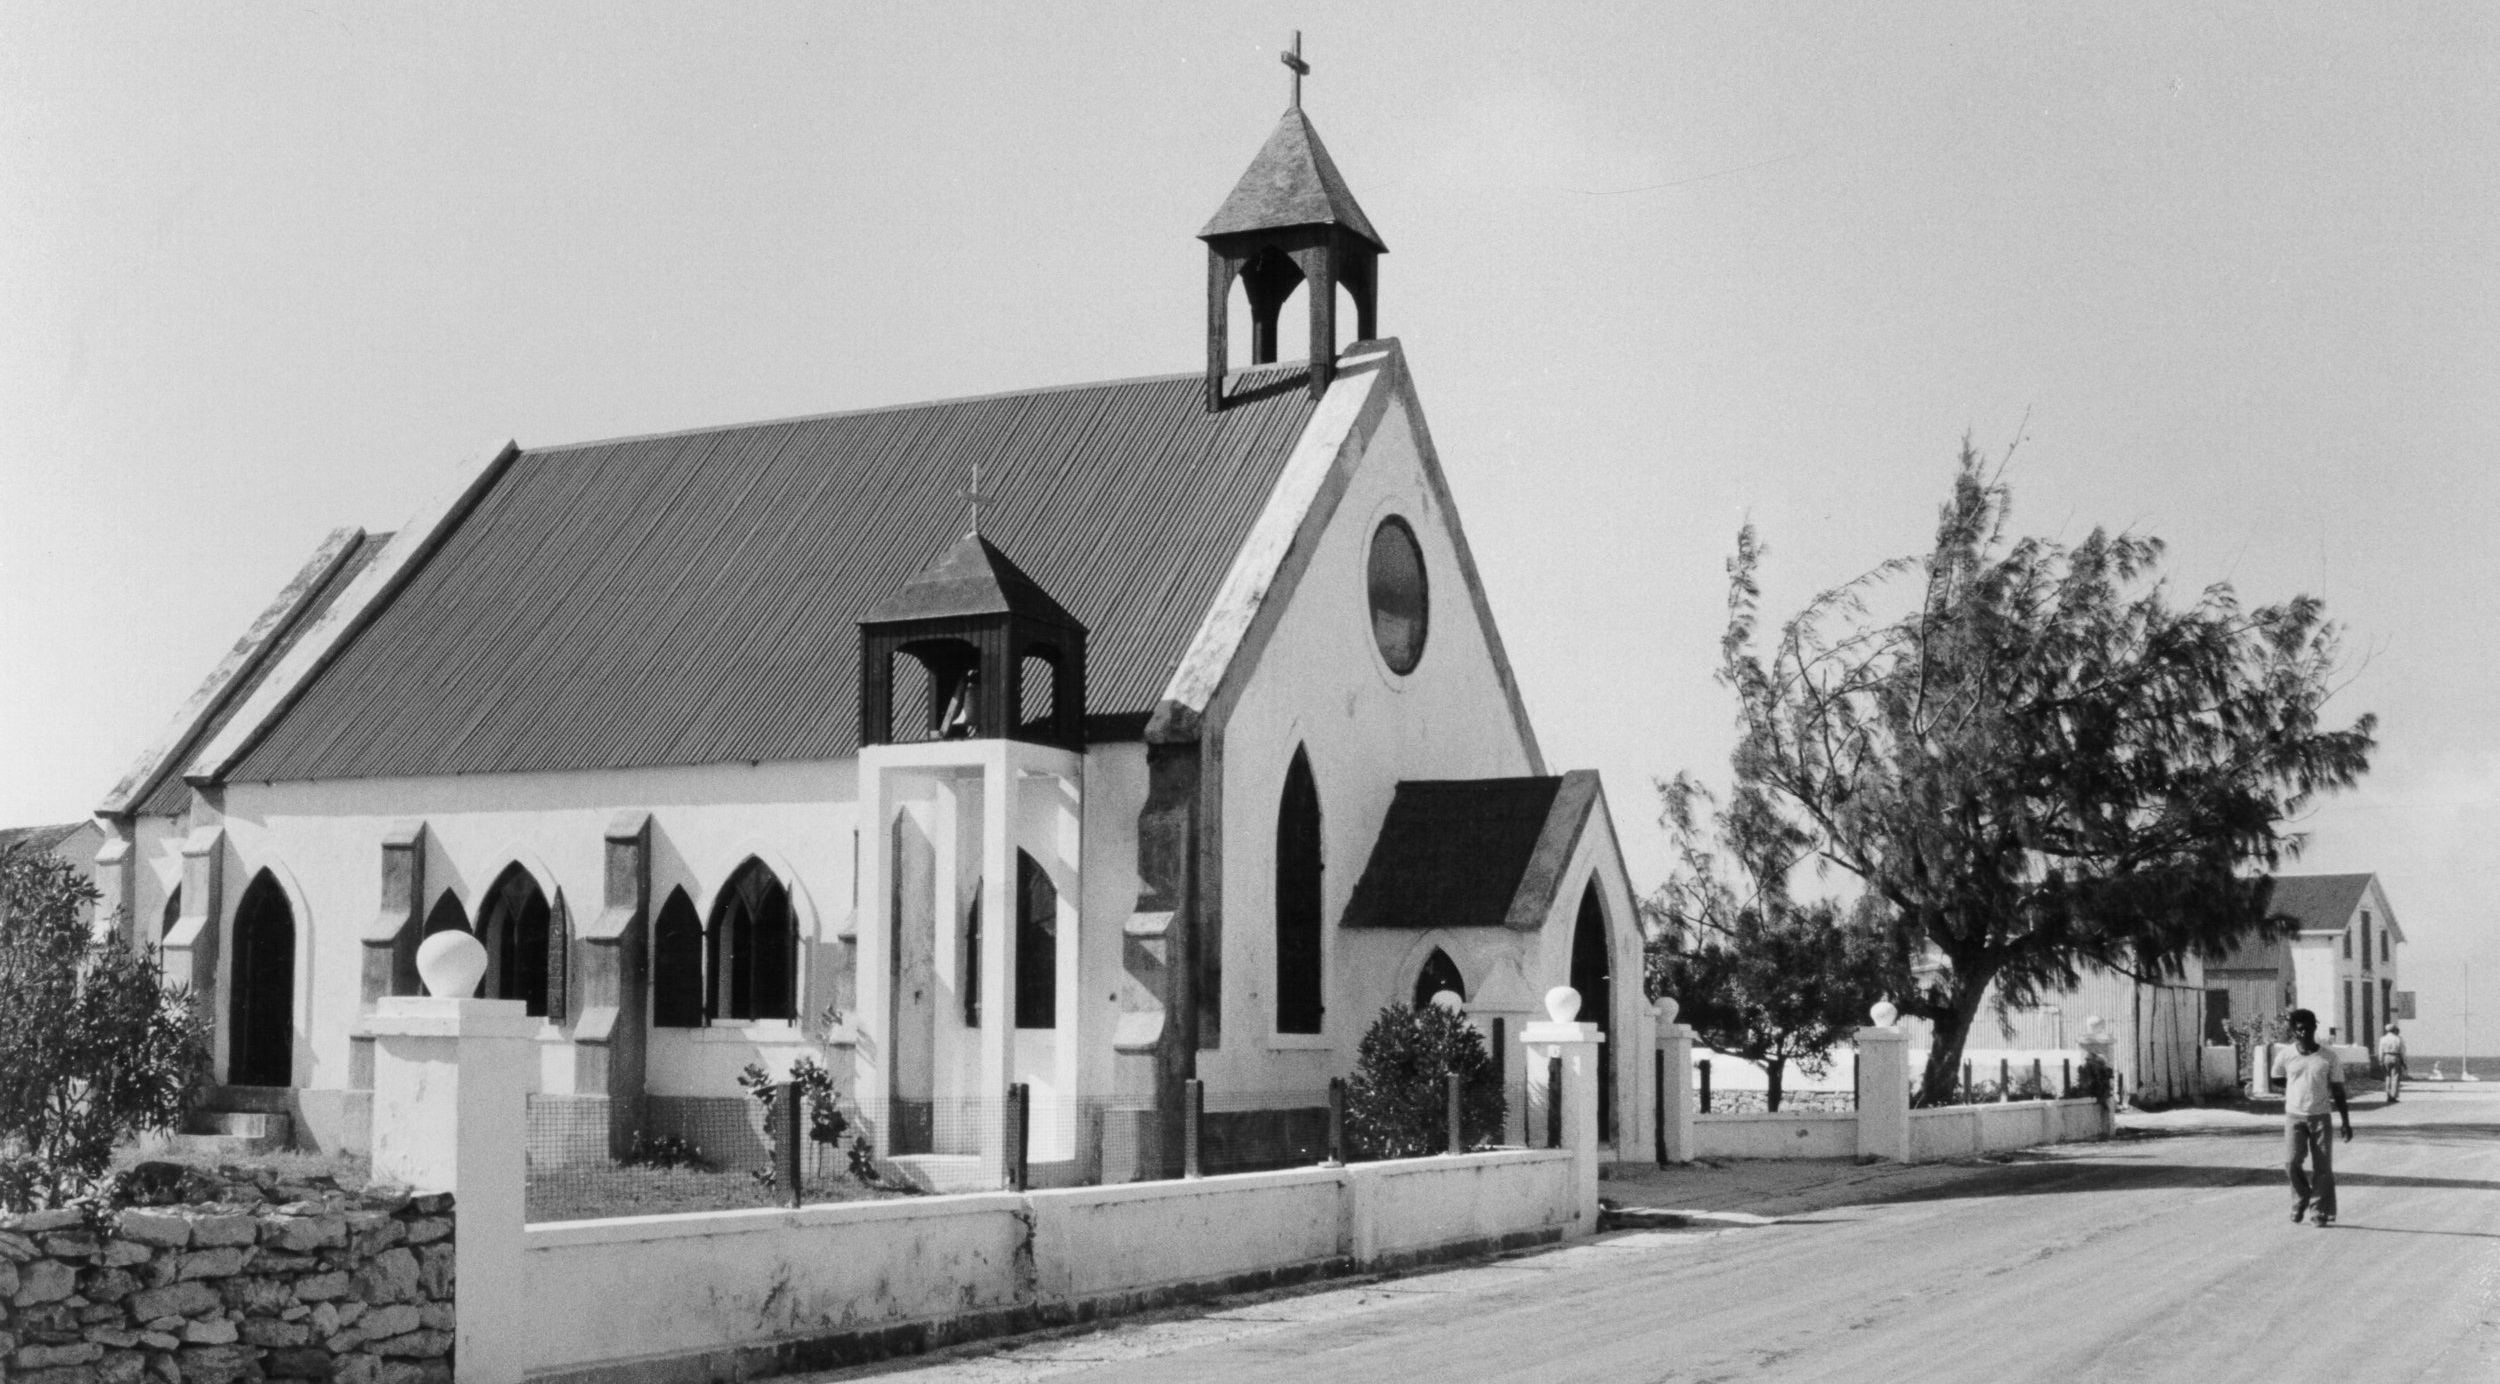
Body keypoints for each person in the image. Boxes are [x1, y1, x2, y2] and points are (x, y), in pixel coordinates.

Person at [2272, 1008, 2353, 1227]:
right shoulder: (2286, 1055)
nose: (2304, 1033)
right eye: (2300, 1029)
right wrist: (2295, 1087)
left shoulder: (2328, 1057)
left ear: (2315, 1029)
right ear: (2293, 1031)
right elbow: (2277, 1077)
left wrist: (2345, 1122)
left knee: (2323, 1167)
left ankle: (2319, 1210)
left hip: (2320, 1117)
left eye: (2309, 1028)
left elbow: (2338, 1090)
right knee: (2291, 1162)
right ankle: (2301, 1198)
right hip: (2294, 1116)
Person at [2378, 1023, 2408, 1104]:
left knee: (2387, 1076)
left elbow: (2380, 1051)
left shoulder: (2383, 1039)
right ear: (2394, 1030)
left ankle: (2388, 1096)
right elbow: (2402, 1051)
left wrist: (2380, 1060)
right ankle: (2393, 1096)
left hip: (2386, 1057)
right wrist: (2404, 1062)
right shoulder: (2398, 1039)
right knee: (2395, 1077)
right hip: (2396, 1057)